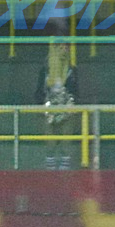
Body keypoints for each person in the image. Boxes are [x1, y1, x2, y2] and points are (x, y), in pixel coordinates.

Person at [36, 41, 80, 170]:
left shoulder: (72, 70)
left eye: (66, 48)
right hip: (49, 109)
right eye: (60, 47)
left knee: (66, 137)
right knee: (50, 139)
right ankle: (50, 164)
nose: (64, 50)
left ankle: (65, 166)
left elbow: (76, 91)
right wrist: (44, 103)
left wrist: (71, 102)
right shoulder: (45, 70)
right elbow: (38, 92)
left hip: (67, 108)